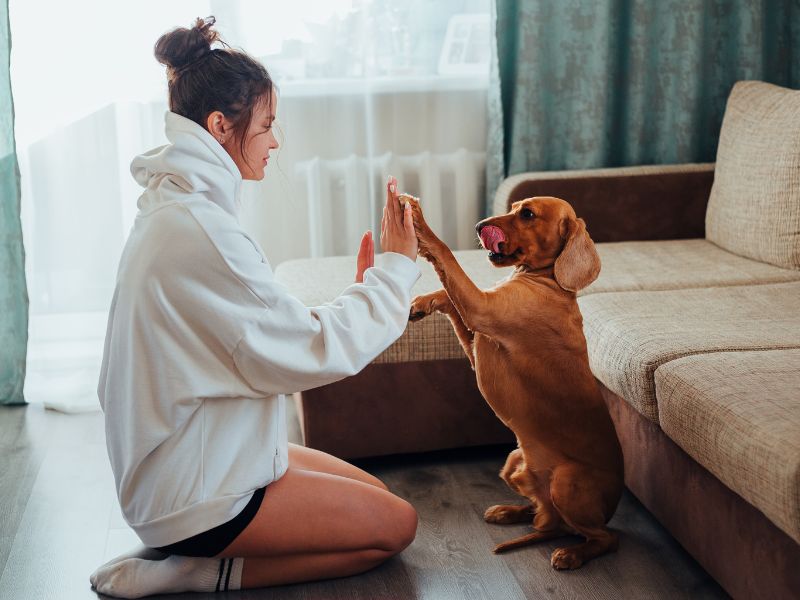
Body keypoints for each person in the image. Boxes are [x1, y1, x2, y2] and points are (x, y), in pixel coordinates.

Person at [90, 16, 420, 598]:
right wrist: (394, 273)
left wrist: (365, 289)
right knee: (396, 527)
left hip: (194, 452)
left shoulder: (182, 208)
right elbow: (309, 350)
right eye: (267, 125)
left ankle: (197, 552)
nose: (276, 140)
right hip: (191, 495)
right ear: (220, 126)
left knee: (379, 499)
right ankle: (197, 570)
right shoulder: (199, 230)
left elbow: (265, 332)